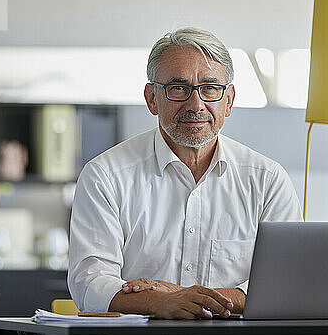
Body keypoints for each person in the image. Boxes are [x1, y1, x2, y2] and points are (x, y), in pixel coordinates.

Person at [68, 27, 302, 319]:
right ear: (152, 98)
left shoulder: (267, 180)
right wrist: (158, 302)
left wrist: (183, 296)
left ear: (228, 101)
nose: (196, 105)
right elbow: (89, 284)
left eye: (210, 88)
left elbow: (287, 283)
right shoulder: (105, 176)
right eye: (178, 88)